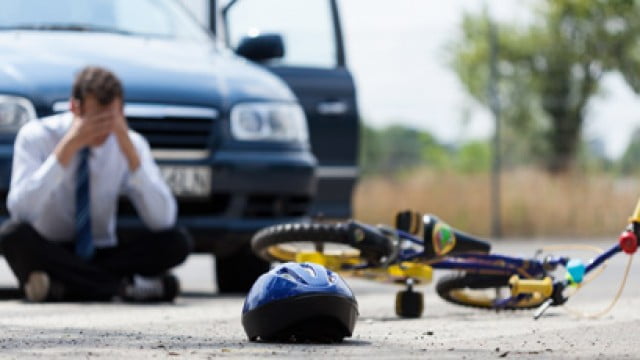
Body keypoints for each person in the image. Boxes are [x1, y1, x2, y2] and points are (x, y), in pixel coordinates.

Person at [0, 66, 191, 302]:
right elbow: (21, 211)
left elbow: (163, 219)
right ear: (75, 108)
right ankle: (124, 288)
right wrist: (65, 150)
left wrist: (131, 156)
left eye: (111, 118)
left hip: (103, 252)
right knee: (12, 235)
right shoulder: (36, 136)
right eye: (96, 119)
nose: (103, 129)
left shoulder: (131, 143)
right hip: (52, 249)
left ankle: (63, 288)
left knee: (176, 242)